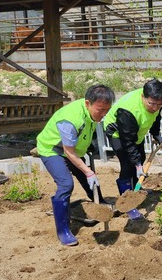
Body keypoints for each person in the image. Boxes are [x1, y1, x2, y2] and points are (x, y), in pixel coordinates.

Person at [36, 84, 115, 246]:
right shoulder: (70, 119)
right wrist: (88, 171)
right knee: (66, 184)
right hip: (53, 149)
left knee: (89, 178)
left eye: (107, 110)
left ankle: (101, 203)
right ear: (87, 103)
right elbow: (69, 152)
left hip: (73, 150)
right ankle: (63, 230)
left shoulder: (92, 112)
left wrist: (88, 172)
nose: (104, 114)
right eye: (100, 110)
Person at [104, 79, 162, 219]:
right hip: (118, 133)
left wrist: (156, 134)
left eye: (159, 104)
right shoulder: (128, 110)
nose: (155, 108)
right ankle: (128, 204)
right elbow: (127, 141)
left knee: (140, 157)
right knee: (128, 164)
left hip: (134, 133)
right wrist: (138, 165)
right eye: (152, 104)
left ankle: (135, 189)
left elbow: (156, 118)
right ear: (143, 96)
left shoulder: (156, 102)